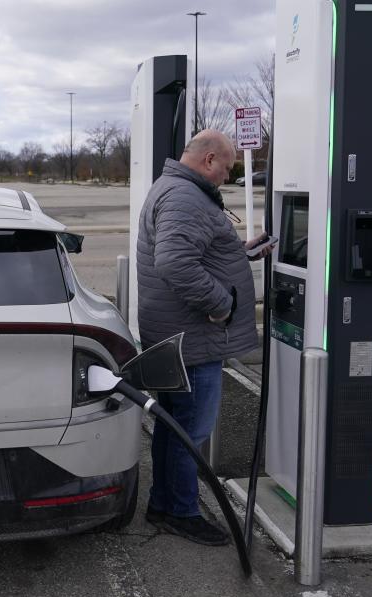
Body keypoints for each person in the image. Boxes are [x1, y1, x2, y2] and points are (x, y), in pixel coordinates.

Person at [136, 129, 273, 545]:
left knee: (173, 425)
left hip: (174, 333)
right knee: (192, 430)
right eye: (227, 167)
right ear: (209, 159)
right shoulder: (185, 196)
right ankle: (181, 511)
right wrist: (222, 305)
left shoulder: (176, 187)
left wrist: (240, 252)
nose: (228, 176)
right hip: (193, 336)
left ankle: (163, 503)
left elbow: (195, 249)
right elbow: (176, 262)